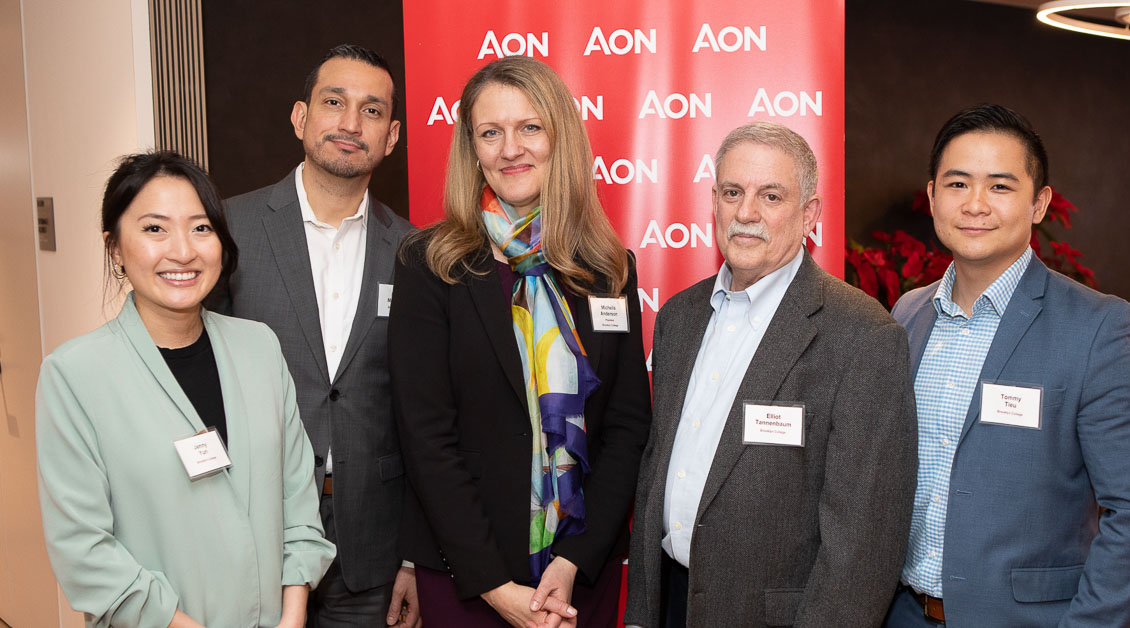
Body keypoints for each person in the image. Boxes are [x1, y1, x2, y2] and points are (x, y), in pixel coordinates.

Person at [883, 104, 1130, 627]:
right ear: (931, 197)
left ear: (1039, 203)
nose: (975, 205)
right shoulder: (907, 314)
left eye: (1000, 186)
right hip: (899, 612)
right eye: (956, 184)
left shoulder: (1099, 329)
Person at [389, 55, 652, 628]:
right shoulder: (430, 264)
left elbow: (629, 428)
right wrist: (493, 585)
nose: (511, 149)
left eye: (529, 127)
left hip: (580, 576)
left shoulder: (609, 270)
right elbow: (425, 437)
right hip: (468, 578)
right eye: (491, 132)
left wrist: (572, 561)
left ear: (560, 137)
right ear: (472, 149)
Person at [623, 121, 918, 628]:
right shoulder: (679, 316)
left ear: (809, 214)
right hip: (670, 601)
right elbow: (656, 475)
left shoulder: (863, 337)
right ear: (714, 199)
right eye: (732, 192)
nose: (745, 214)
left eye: (771, 196)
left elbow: (863, 548)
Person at [36, 150, 335, 627]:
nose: (183, 251)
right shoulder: (75, 376)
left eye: (201, 228)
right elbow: (84, 550)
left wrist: (292, 613)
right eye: (155, 229)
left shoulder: (257, 348)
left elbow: (297, 498)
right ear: (114, 247)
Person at [205, 44, 418, 627]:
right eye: (334, 102)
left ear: (392, 136)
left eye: (372, 111)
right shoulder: (227, 229)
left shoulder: (415, 253)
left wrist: (413, 557)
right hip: (255, 532)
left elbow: (423, 412)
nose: (351, 124)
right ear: (300, 118)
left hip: (370, 552)